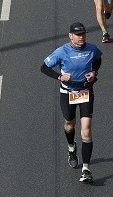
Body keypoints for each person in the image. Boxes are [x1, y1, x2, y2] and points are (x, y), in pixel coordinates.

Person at [40, 22, 101, 183]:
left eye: (83, 34)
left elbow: (98, 59)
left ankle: (86, 169)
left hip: (85, 91)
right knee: (69, 123)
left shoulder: (91, 48)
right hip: (68, 93)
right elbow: (44, 67)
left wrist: (94, 73)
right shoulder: (61, 52)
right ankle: (71, 148)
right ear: (70, 36)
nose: (82, 37)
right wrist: (59, 77)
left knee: (86, 131)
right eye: (78, 35)